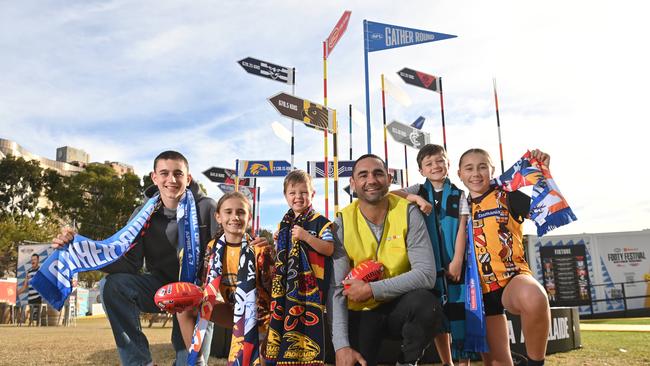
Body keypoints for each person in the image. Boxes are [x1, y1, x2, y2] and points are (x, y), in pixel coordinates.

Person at [52, 150, 219, 366]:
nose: (171, 180)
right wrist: (79, 247)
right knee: (112, 285)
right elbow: (129, 261)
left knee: (192, 362)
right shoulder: (143, 212)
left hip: (198, 294)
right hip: (159, 289)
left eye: (178, 174)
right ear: (154, 177)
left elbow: (230, 247)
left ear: (188, 178)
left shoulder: (207, 207)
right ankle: (140, 362)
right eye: (164, 173)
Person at [329, 154, 444, 366]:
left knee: (427, 304)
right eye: (363, 175)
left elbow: (426, 275)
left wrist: (372, 289)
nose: (371, 180)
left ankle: (407, 361)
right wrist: (342, 346)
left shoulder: (408, 211)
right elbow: (336, 289)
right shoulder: (341, 222)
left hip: (398, 306)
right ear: (353, 184)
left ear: (389, 179)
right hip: (360, 311)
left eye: (378, 173)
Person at [458, 148, 551, 366]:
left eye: (482, 166)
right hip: (478, 293)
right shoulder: (456, 205)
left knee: (534, 296)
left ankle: (536, 364)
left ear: (491, 170)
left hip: (512, 279)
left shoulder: (507, 196)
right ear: (459, 174)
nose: (476, 173)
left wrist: (543, 172)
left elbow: (545, 209)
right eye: (469, 168)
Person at [392, 144, 474, 366]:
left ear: (448, 163)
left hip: (454, 263)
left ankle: (463, 363)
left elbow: (461, 230)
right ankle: (447, 363)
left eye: (440, 161)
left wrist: (457, 260)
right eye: (429, 163)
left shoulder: (460, 194)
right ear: (421, 170)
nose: (435, 166)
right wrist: (416, 200)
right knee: (439, 316)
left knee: (459, 314)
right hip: (429, 266)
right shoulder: (418, 190)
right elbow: (390, 195)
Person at [263, 170, 334, 365]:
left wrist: (306, 237)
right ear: (285, 196)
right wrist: (278, 242)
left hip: (312, 288)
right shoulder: (283, 224)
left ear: (312, 194)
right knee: (286, 324)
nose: (298, 197)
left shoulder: (321, 222)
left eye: (303, 192)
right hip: (287, 289)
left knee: (308, 328)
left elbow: (329, 249)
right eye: (292, 193)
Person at [197, 191, 274, 365]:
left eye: (240, 212)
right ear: (218, 216)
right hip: (234, 313)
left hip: (262, 320)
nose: (235, 217)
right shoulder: (213, 248)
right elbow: (206, 287)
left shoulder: (259, 250)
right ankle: (197, 361)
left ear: (249, 218)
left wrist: (272, 333)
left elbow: (276, 296)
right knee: (189, 305)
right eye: (228, 212)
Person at [17, 253, 43, 325]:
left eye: (34, 260)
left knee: (36, 319)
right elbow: (24, 287)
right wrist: (16, 294)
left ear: (38, 260)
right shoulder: (29, 272)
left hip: (38, 298)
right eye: (32, 260)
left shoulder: (41, 270)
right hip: (30, 298)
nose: (33, 261)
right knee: (30, 319)